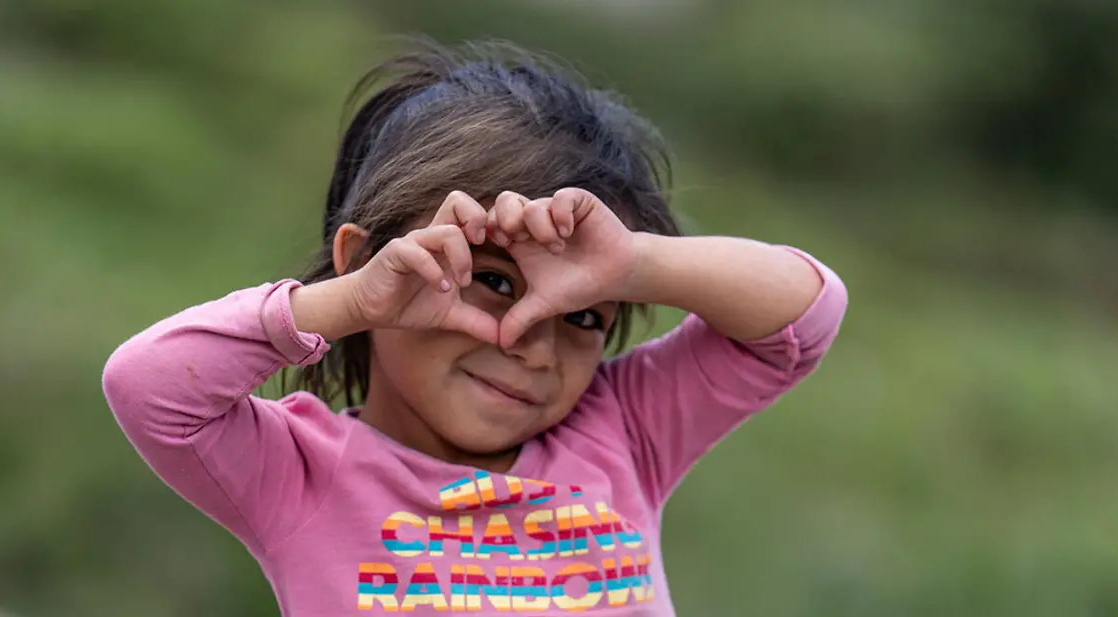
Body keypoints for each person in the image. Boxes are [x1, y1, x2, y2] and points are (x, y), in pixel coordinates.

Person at [102, 38, 847, 616]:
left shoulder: (622, 431)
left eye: (585, 314)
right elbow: (150, 388)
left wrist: (634, 262)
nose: (532, 340)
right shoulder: (301, 474)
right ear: (372, 263)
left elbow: (806, 314)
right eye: (493, 281)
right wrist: (346, 302)